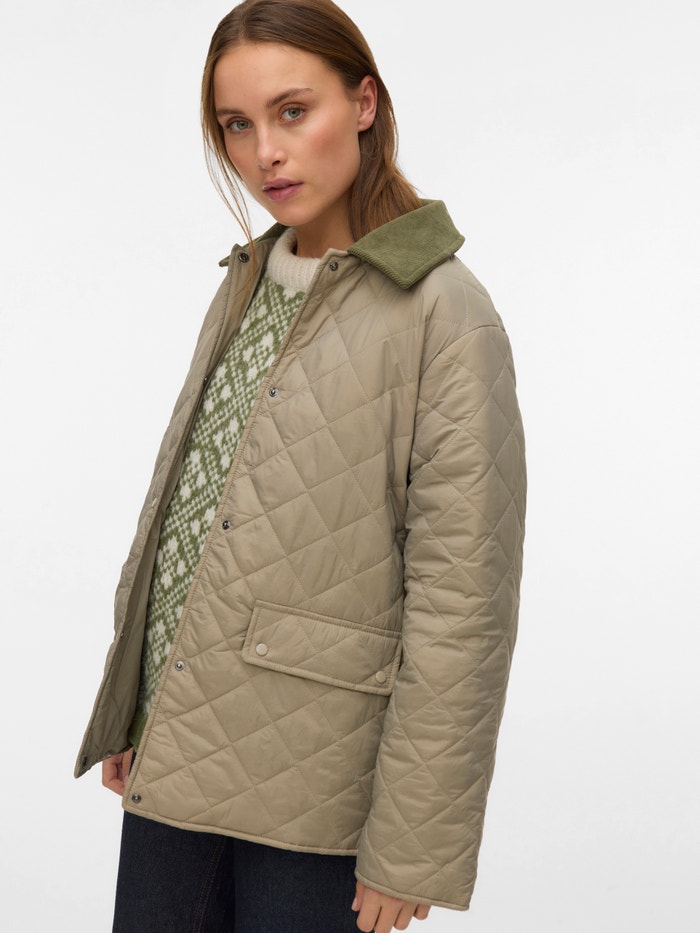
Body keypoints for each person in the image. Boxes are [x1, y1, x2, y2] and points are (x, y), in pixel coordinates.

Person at [75, 1, 526, 930]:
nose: (265, 153)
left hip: (319, 796)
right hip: (178, 757)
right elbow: (187, 507)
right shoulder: (248, 275)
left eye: (292, 111)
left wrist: (413, 847)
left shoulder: (444, 311)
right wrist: (136, 706)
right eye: (236, 125)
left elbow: (462, 605)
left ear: (364, 103)